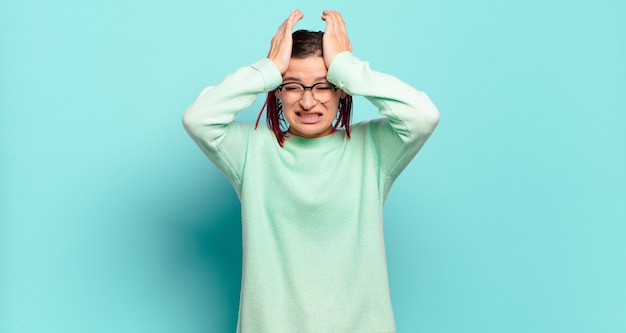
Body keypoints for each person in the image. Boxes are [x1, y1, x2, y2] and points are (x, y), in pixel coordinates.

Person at [183, 9, 439, 333]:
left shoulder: (373, 149)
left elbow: (423, 115)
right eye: (293, 86)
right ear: (278, 90)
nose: (307, 101)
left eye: (322, 86)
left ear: (341, 89)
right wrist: (267, 70)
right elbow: (199, 119)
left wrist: (346, 66)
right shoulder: (252, 152)